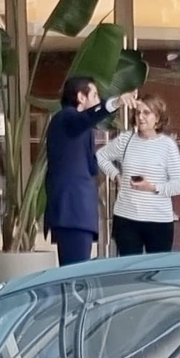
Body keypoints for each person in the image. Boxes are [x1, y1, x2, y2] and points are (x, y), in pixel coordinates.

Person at [44, 76, 124, 267]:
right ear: (81, 96)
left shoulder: (81, 127)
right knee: (74, 273)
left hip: (78, 213)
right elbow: (85, 119)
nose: (98, 100)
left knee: (77, 271)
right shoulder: (67, 118)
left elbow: (90, 165)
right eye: (95, 95)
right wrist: (115, 103)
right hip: (72, 211)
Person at [101, 94, 180, 257]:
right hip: (126, 217)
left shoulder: (167, 146)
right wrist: (116, 175)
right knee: (129, 269)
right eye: (138, 113)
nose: (140, 117)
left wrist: (153, 188)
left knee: (157, 269)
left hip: (158, 219)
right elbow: (101, 156)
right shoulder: (126, 140)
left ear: (158, 118)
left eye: (146, 113)